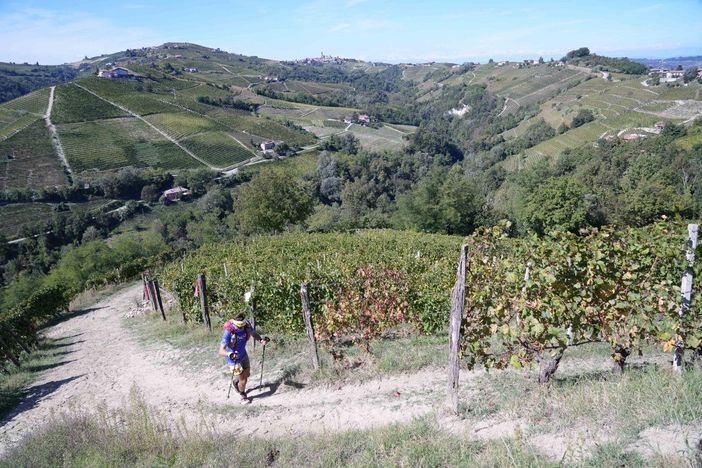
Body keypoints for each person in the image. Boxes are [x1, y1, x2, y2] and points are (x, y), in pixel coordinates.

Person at [218, 311, 269, 404]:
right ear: (234, 323)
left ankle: (235, 382)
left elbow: (254, 334)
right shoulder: (229, 331)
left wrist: (261, 340)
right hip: (233, 359)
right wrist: (231, 354)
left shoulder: (247, 325)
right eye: (238, 326)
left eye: (242, 325)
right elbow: (221, 351)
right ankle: (243, 395)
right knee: (243, 380)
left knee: (247, 374)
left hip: (243, 354)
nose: (241, 327)